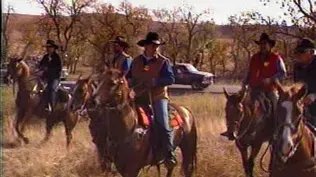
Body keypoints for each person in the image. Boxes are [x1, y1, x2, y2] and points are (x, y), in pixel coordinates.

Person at [221, 33, 287, 140]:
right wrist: (244, 83)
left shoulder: (276, 58)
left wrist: (270, 79)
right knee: (236, 107)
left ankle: (276, 132)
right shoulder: (254, 58)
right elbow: (249, 72)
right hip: (254, 89)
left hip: (270, 90)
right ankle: (232, 129)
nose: (263, 46)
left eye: (265, 44)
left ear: (270, 45)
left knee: (275, 106)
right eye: (261, 44)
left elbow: (283, 73)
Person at [127, 32, 177, 167]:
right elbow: (128, 77)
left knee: (162, 123)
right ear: (146, 46)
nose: (155, 48)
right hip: (139, 96)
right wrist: (130, 82)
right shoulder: (136, 61)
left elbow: (171, 79)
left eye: (157, 46)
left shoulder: (163, 62)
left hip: (158, 97)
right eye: (153, 45)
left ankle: (169, 154)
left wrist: (155, 82)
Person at [293, 38, 316, 127]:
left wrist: (314, 95)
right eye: (297, 52)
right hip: (303, 102)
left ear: (312, 53)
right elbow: (296, 85)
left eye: (302, 51)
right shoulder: (297, 66)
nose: (298, 54)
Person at [39, 40, 62, 112]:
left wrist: (48, 69)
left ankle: (52, 107)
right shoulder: (45, 57)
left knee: (51, 89)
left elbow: (59, 68)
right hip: (45, 78)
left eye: (50, 47)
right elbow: (40, 65)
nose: (48, 49)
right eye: (47, 47)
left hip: (54, 78)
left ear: (54, 48)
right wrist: (42, 68)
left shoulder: (57, 57)